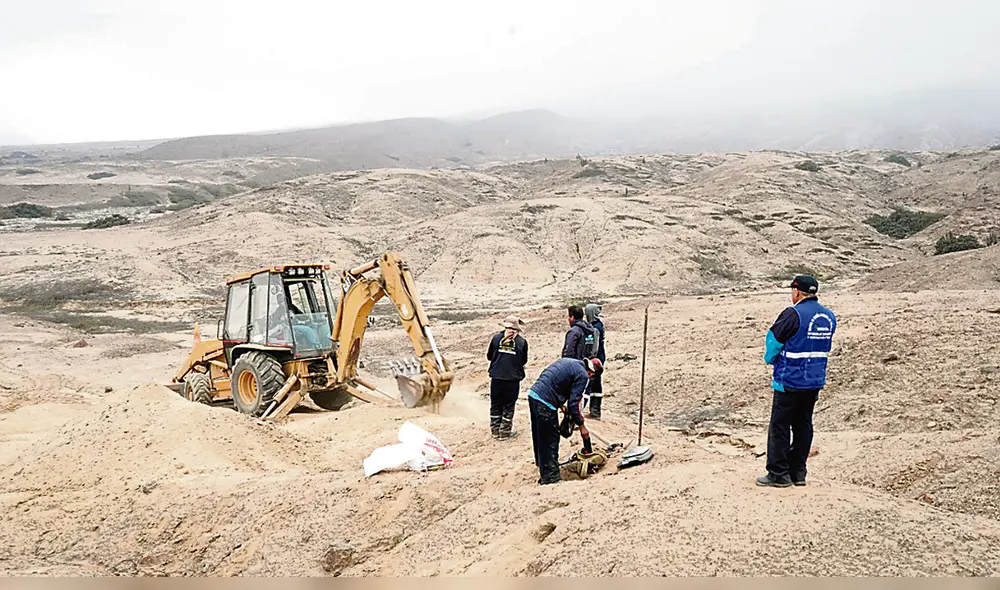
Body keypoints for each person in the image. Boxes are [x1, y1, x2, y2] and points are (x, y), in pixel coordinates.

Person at [757, 275, 837, 488]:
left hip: (789, 378)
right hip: (814, 379)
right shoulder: (828, 316)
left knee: (780, 425)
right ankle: (798, 473)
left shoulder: (793, 314)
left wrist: (770, 359)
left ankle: (778, 473)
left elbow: (774, 340)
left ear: (797, 292)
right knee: (803, 424)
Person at [526, 357, 603, 485]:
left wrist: (560, 403)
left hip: (534, 394)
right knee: (550, 439)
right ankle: (550, 478)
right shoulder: (583, 375)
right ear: (591, 373)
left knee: (539, 436)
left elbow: (552, 378)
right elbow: (574, 404)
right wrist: (582, 425)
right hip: (545, 402)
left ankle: (542, 465)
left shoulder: (570, 362)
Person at [486, 315, 529, 440]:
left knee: (495, 403)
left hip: (497, 377)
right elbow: (523, 360)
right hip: (512, 379)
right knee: (509, 405)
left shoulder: (496, 338)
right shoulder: (521, 342)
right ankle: (505, 432)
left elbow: (489, 356)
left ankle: (495, 430)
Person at [584, 303, 606, 419]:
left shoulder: (596, 327)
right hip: (599, 357)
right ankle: (595, 411)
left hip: (596, 359)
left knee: (589, 384)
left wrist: (591, 359)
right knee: (596, 384)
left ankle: (580, 413)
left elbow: (595, 345)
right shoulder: (596, 325)